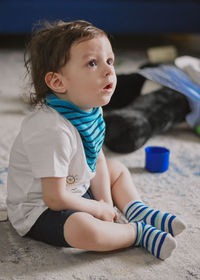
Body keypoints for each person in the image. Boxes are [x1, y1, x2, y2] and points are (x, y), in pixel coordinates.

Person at [7, 20, 186, 260]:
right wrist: (96, 209)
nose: (109, 70)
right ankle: (136, 232)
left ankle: (137, 210)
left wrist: (106, 203)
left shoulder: (90, 109)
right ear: (58, 82)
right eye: (92, 63)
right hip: (41, 208)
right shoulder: (50, 130)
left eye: (109, 61)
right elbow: (55, 198)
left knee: (117, 169)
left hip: (76, 187)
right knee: (86, 230)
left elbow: (96, 159)